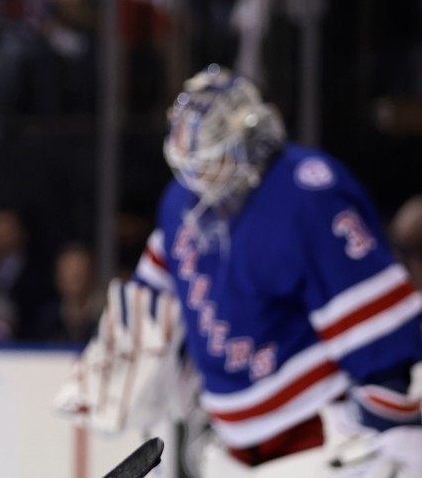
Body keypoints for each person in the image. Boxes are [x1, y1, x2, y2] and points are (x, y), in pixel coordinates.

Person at [56, 66, 422, 476]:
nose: (200, 179)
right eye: (191, 167)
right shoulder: (182, 200)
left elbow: (380, 333)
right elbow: (151, 298)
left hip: (318, 440)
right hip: (226, 446)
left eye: (212, 162)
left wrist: (390, 424)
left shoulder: (306, 193)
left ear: (251, 138)